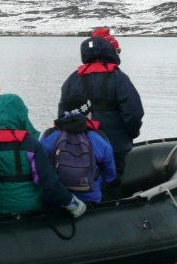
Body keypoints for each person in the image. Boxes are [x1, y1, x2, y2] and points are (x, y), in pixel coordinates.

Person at [0, 93, 86, 218]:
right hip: (28, 207)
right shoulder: (31, 145)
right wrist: (71, 203)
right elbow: (48, 180)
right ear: (21, 114)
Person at [58, 36, 143, 189]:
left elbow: (62, 115)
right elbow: (133, 112)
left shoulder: (71, 79)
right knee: (114, 185)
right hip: (116, 144)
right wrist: (131, 134)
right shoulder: (119, 78)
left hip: (80, 147)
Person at [40, 96, 116, 203]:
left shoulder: (50, 135)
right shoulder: (98, 137)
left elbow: (41, 167)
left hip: (57, 198)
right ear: (88, 114)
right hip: (90, 197)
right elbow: (110, 173)